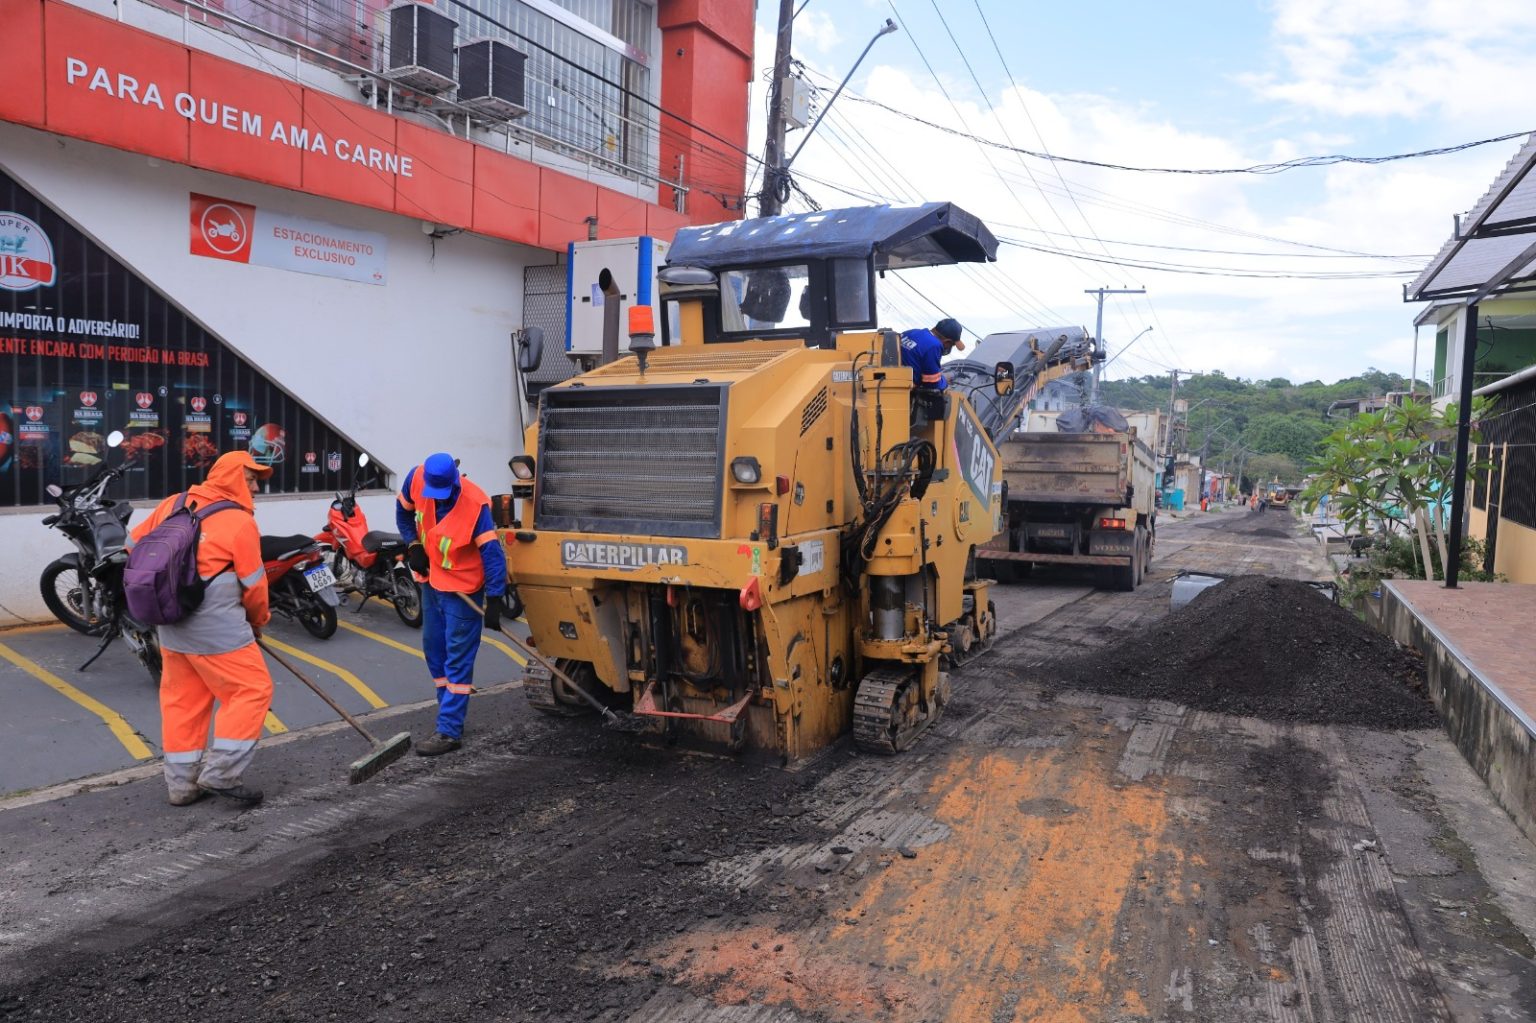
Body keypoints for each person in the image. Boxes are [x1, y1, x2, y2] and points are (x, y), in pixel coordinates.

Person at [129, 451, 274, 806]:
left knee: (183, 702)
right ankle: (222, 773)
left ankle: (181, 786)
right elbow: (254, 586)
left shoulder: (174, 503)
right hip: (219, 629)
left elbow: (132, 546)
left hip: (172, 623)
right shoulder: (239, 522)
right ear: (232, 478)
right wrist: (257, 623)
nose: (256, 487)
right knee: (252, 690)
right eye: (251, 479)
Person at [397, 452, 509, 756]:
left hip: (463, 590)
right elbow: (403, 512)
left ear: (455, 482)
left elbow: (492, 554)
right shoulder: (416, 478)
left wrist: (496, 598)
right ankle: (448, 712)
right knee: (434, 650)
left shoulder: (475, 505)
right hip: (431, 582)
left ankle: (449, 730)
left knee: (457, 659)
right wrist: (413, 544)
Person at [899, 317, 966, 390]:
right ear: (948, 342)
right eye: (952, 345)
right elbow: (932, 383)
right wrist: (944, 381)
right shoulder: (934, 346)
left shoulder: (913, 332)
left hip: (893, 377)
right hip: (904, 388)